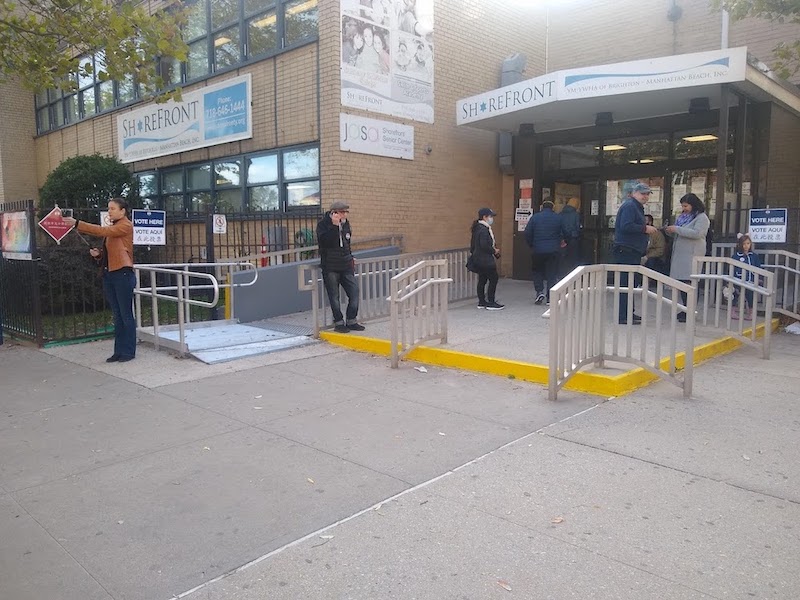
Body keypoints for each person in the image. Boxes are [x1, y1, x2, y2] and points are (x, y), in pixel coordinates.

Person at [63, 198, 136, 362]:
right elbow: (113, 253)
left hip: (122, 274)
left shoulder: (125, 225)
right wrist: (99, 255)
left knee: (126, 315)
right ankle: (119, 351)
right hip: (110, 274)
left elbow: (102, 231)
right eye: (108, 208)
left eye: (112, 208)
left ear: (122, 211)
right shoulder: (114, 228)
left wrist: (77, 224)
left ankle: (129, 351)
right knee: (117, 315)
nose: (109, 211)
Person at [613, 182, 658, 324]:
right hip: (626, 250)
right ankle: (623, 315)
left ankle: (628, 312)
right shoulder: (630, 206)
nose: (645, 196)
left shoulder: (635, 206)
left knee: (629, 283)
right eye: (642, 193)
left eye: (647, 194)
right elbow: (626, 226)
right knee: (625, 284)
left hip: (631, 250)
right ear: (634, 193)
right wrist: (645, 229)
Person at [317, 201, 365, 333]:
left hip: (346, 264)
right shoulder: (323, 225)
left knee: (354, 292)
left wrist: (350, 256)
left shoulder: (346, 224)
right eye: (342, 212)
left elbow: (346, 243)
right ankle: (338, 322)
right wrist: (334, 226)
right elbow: (325, 242)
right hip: (330, 266)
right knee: (334, 296)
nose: (344, 215)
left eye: (345, 212)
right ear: (334, 213)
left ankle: (351, 320)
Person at [665, 193, 710, 323]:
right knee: (682, 283)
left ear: (693, 205)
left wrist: (677, 229)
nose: (684, 208)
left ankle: (690, 310)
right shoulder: (683, 218)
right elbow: (680, 233)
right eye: (682, 206)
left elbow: (697, 233)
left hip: (692, 254)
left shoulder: (702, 218)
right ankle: (685, 309)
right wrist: (671, 231)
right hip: (681, 255)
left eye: (686, 206)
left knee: (689, 283)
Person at [524, 199, 566, 306]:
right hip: (553, 250)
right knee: (551, 273)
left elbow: (527, 233)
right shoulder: (558, 218)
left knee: (537, 271)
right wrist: (562, 242)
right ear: (552, 207)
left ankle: (539, 292)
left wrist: (532, 245)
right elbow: (566, 232)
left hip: (538, 250)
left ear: (542, 207)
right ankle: (550, 298)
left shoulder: (535, 218)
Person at [469, 208, 504, 310]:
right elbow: (484, 245)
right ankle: (491, 302)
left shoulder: (477, 228)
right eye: (490, 216)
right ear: (484, 217)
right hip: (486, 260)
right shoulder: (483, 229)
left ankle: (482, 302)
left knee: (482, 279)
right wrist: (494, 251)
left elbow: (473, 246)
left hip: (479, 259)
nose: (491, 219)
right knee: (494, 278)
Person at [730, 233, 762, 320]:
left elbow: (758, 267)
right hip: (738, 279)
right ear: (740, 245)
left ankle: (751, 313)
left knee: (750, 296)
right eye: (744, 244)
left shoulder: (754, 256)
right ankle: (733, 312)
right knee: (735, 295)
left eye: (748, 243)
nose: (746, 246)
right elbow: (732, 268)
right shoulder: (736, 256)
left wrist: (759, 278)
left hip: (750, 280)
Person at [559, 196, 582, 277]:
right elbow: (578, 227)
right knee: (573, 259)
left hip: (562, 240)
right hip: (573, 239)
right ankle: (572, 276)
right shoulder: (576, 215)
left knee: (563, 259)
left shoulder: (560, 214)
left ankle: (562, 276)